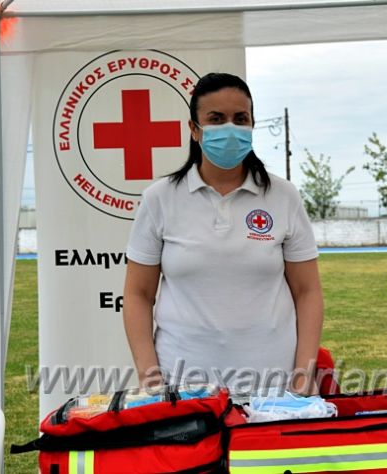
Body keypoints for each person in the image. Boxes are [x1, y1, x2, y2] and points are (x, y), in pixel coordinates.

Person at [124, 72, 323, 394]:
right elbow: (138, 295)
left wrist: (303, 374)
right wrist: (151, 378)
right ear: (194, 129)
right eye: (216, 119)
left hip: (274, 386)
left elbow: (308, 291)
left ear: (252, 125)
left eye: (240, 119)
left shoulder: (283, 196)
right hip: (183, 385)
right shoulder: (160, 198)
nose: (230, 128)